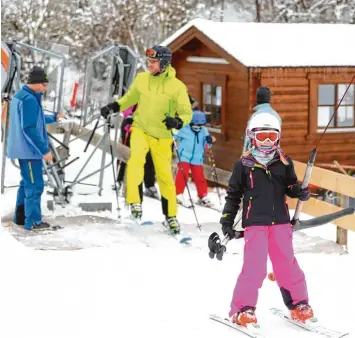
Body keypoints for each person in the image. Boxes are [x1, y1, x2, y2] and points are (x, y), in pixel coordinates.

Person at [220, 112, 313, 327]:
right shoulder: (243, 165)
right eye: (263, 137)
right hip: (255, 224)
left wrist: (299, 192)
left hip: (280, 222)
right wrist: (227, 219)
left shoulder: (283, 162)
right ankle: (243, 309)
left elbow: (290, 187)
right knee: (255, 268)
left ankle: (299, 304)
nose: (268, 142)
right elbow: (233, 195)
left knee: (287, 265)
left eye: (272, 136)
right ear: (252, 137)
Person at [100, 45, 192, 233]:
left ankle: (171, 216)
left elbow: (186, 113)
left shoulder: (177, 87)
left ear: (164, 63)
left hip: (162, 136)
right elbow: (130, 99)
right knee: (135, 162)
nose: (149, 64)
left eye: (153, 61)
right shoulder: (142, 79)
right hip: (140, 129)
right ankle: (135, 203)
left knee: (165, 175)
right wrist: (113, 107)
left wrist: (176, 121)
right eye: (148, 61)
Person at [7, 66, 63, 231]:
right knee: (35, 185)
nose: (45, 88)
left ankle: (20, 217)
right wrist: (44, 150)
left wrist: (53, 117)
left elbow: (35, 119)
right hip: (29, 150)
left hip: (22, 148)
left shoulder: (21, 96)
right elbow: (29, 127)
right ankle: (34, 222)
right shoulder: (30, 100)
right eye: (44, 85)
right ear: (36, 83)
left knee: (26, 183)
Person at [115, 105, 158, 199]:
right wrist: (131, 117)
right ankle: (120, 179)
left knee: (149, 158)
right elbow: (127, 108)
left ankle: (149, 185)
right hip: (131, 127)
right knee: (127, 154)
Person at [174, 109, 215, 207]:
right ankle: (178, 194)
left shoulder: (204, 131)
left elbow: (207, 146)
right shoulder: (184, 129)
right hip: (184, 157)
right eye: (196, 125)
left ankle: (202, 196)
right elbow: (174, 136)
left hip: (197, 158)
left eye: (201, 125)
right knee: (182, 175)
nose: (198, 128)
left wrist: (209, 141)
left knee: (199, 177)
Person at [243, 86, 281, 152]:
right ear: (269, 99)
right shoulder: (276, 116)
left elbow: (248, 140)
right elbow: (277, 140)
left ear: (257, 99)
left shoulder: (255, 117)